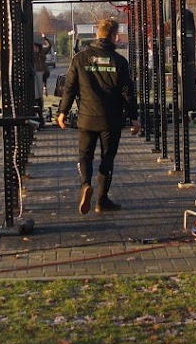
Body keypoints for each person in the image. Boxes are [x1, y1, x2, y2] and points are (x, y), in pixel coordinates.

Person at [56, 18, 138, 215]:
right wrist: (134, 117)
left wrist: (62, 112)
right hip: (111, 119)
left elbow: (69, 88)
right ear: (113, 36)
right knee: (107, 158)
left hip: (86, 117)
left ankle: (85, 184)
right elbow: (128, 92)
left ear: (96, 34)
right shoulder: (119, 61)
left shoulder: (79, 59)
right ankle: (102, 200)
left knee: (85, 155)